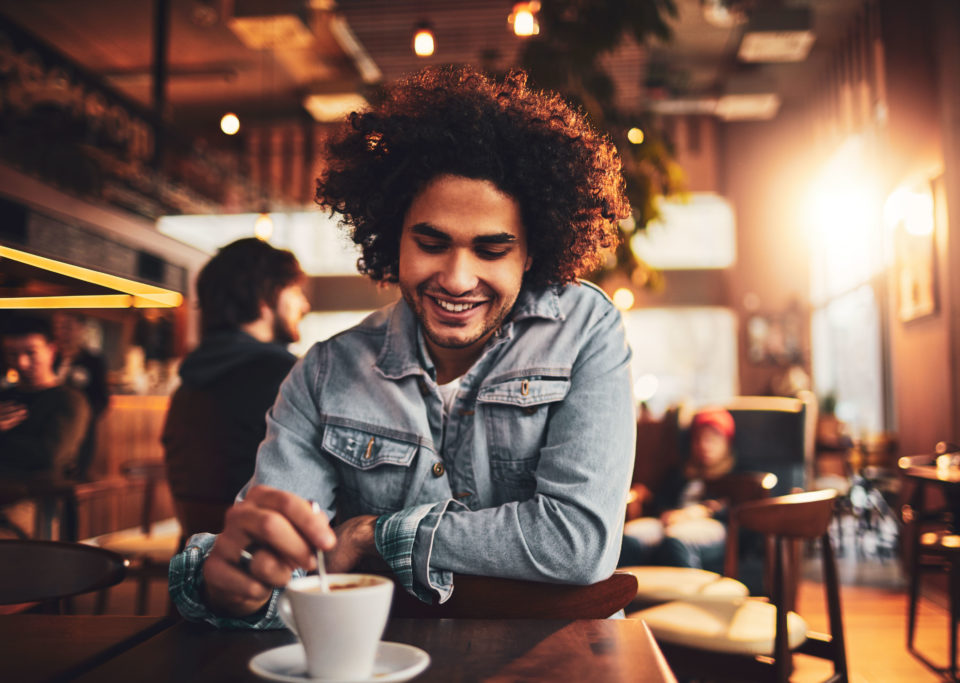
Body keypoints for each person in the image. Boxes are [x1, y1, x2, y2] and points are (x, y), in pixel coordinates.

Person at [169, 65, 635, 627]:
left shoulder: (584, 327)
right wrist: (238, 586)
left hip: (557, 661)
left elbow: (576, 543)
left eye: (491, 250)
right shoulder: (325, 372)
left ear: (531, 253)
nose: (458, 279)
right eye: (432, 242)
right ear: (394, 237)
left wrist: (373, 535)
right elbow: (281, 573)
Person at [162, 238, 310, 541]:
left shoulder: (188, 383)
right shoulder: (290, 378)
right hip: (269, 566)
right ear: (264, 298)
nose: (304, 305)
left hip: (195, 563)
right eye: (294, 291)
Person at [619, 407, 736, 572]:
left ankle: (689, 595)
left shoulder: (737, 474)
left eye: (712, 439)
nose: (705, 445)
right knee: (630, 535)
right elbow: (660, 500)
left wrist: (704, 511)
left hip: (709, 524)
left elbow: (739, 510)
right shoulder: (680, 472)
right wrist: (667, 512)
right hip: (671, 520)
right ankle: (624, 593)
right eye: (700, 439)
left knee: (676, 539)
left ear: (726, 442)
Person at [0, 314, 91, 478]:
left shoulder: (69, 400)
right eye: (12, 354)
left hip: (43, 495)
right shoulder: (5, 396)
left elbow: (48, 457)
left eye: (31, 353)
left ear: (51, 350)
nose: (22, 362)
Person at [52, 312, 110, 480]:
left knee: (76, 476)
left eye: (67, 327)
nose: (62, 332)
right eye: (58, 327)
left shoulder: (92, 361)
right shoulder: (50, 358)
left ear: (81, 329)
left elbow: (102, 398)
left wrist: (84, 418)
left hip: (82, 429)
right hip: (51, 425)